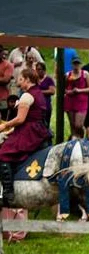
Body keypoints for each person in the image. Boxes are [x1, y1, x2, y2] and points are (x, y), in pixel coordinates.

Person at [0, 68, 50, 202]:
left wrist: (5, 125)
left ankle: (8, 192)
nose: (17, 81)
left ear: (27, 79)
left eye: (20, 79)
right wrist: (11, 131)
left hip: (30, 132)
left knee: (3, 153)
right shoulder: (38, 93)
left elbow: (20, 119)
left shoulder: (27, 95)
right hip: (38, 129)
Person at [64, 56, 89, 134]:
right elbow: (64, 88)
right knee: (72, 125)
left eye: (77, 64)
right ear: (72, 64)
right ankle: (73, 139)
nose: (76, 66)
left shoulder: (85, 74)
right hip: (70, 101)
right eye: (74, 64)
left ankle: (81, 137)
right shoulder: (68, 75)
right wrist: (68, 92)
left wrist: (79, 90)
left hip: (81, 101)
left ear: (80, 64)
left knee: (78, 125)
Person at [35, 62, 55, 126]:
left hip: (46, 105)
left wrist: (40, 92)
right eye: (37, 69)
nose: (38, 71)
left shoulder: (49, 79)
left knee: (45, 124)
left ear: (44, 70)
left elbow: (52, 91)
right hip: (36, 105)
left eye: (40, 69)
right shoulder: (34, 80)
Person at [0, 48, 12, 116]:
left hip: (3, 97)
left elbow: (6, 80)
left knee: (4, 117)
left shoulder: (8, 65)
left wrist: (3, 79)